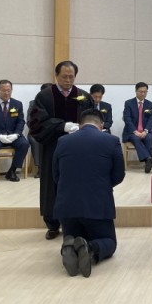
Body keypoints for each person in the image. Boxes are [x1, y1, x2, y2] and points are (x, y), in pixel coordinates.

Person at [53, 110, 125, 277]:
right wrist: (103, 186)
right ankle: (90, 248)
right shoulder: (111, 141)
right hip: (97, 205)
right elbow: (119, 175)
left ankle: (69, 245)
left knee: (73, 235)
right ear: (101, 125)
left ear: (79, 125)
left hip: (67, 207)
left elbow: (56, 176)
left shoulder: (62, 141)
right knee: (109, 242)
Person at [28, 60, 94, 240]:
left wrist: (84, 127)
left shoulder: (83, 96)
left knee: (76, 185)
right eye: (64, 76)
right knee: (52, 185)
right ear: (56, 75)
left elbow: (93, 120)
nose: (68, 80)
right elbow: (36, 124)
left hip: (78, 150)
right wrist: (62, 126)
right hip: (53, 148)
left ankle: (74, 224)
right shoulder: (44, 97)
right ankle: (52, 224)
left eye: (71, 77)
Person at [0, 79, 30, 184]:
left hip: (12, 134)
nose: (6, 93)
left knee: (24, 143)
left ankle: (12, 171)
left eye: (9, 90)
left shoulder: (17, 104)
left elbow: (21, 121)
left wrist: (16, 134)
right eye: (4, 91)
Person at [122, 82, 152, 173]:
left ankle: (148, 162)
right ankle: (149, 159)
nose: (143, 94)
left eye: (145, 92)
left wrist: (146, 131)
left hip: (144, 131)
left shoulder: (150, 104)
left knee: (149, 137)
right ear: (136, 91)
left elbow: (151, 119)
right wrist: (135, 131)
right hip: (131, 132)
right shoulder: (128, 103)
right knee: (136, 138)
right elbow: (127, 119)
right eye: (141, 91)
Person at [28, 83, 52, 178]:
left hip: (53, 131)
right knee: (35, 140)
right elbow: (30, 120)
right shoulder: (33, 103)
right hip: (38, 131)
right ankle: (40, 168)